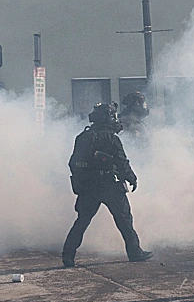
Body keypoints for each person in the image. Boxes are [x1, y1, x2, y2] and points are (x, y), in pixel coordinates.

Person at [62, 102, 153, 267]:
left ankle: (68, 256)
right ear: (108, 118)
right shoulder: (111, 138)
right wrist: (132, 177)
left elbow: (73, 163)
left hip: (88, 187)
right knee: (124, 220)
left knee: (81, 222)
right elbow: (122, 162)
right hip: (110, 185)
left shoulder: (83, 137)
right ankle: (134, 252)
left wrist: (83, 180)